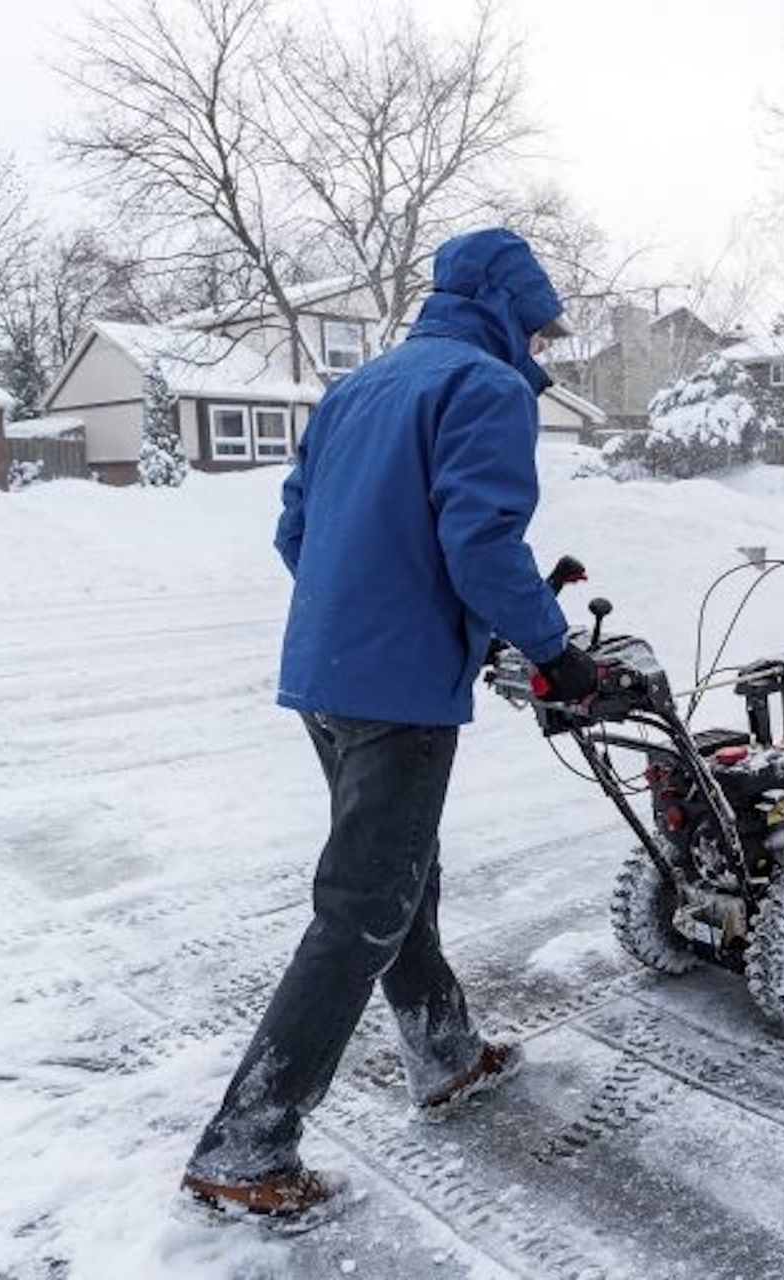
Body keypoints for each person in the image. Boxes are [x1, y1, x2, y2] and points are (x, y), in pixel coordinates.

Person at [181, 228, 600, 1219]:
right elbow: (481, 543)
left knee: (399, 872)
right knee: (361, 908)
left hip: (324, 675)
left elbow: (297, 527)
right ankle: (246, 1145)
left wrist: (365, 612)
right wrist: (556, 652)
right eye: (536, 330)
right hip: (396, 693)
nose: (538, 351)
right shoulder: (484, 391)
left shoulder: (358, 387)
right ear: (503, 308)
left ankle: (445, 1051)